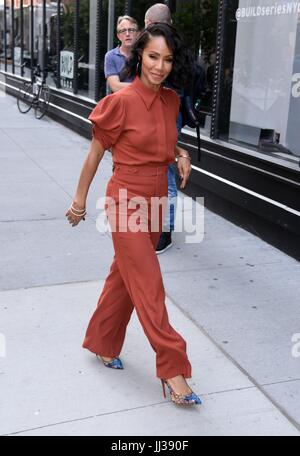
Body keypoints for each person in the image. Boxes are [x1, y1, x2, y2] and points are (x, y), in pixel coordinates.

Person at [65, 23, 201, 406]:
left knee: (124, 280)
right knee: (149, 285)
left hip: (158, 198)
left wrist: (181, 155)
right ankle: (174, 369)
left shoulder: (172, 101)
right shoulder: (120, 102)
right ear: (139, 54)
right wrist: (79, 202)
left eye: (167, 59)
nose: (159, 66)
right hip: (125, 199)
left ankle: (101, 341)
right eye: (153, 56)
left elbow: (164, 144)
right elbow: (94, 155)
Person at [144, 3, 180, 254]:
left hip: (167, 110)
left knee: (165, 172)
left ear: (148, 23)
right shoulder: (178, 46)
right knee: (161, 169)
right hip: (164, 111)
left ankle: (164, 230)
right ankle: (160, 227)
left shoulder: (168, 48)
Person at [104, 15, 139, 93]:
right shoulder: (110, 56)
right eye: (123, 31)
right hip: (120, 102)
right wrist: (142, 87)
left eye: (131, 30)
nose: (127, 34)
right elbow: (115, 87)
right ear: (118, 36)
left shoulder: (143, 55)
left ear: (137, 34)